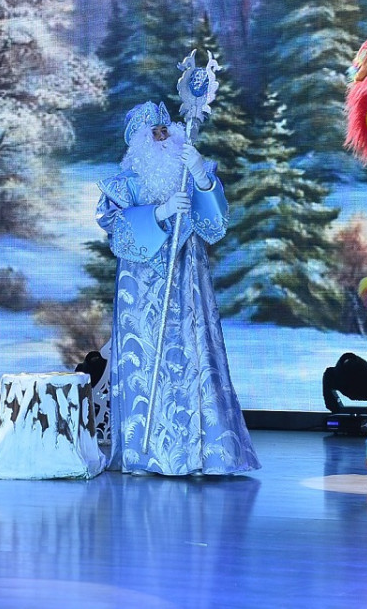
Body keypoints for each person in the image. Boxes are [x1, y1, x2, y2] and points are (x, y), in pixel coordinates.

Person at [96, 101, 260, 476]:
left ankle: (202, 453)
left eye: (166, 130)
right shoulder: (122, 185)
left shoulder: (187, 173)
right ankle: (144, 452)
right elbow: (115, 228)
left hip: (188, 284)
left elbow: (215, 224)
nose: (163, 138)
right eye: (153, 133)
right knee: (144, 361)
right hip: (140, 292)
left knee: (193, 356)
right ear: (138, 141)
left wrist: (201, 177)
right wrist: (159, 213)